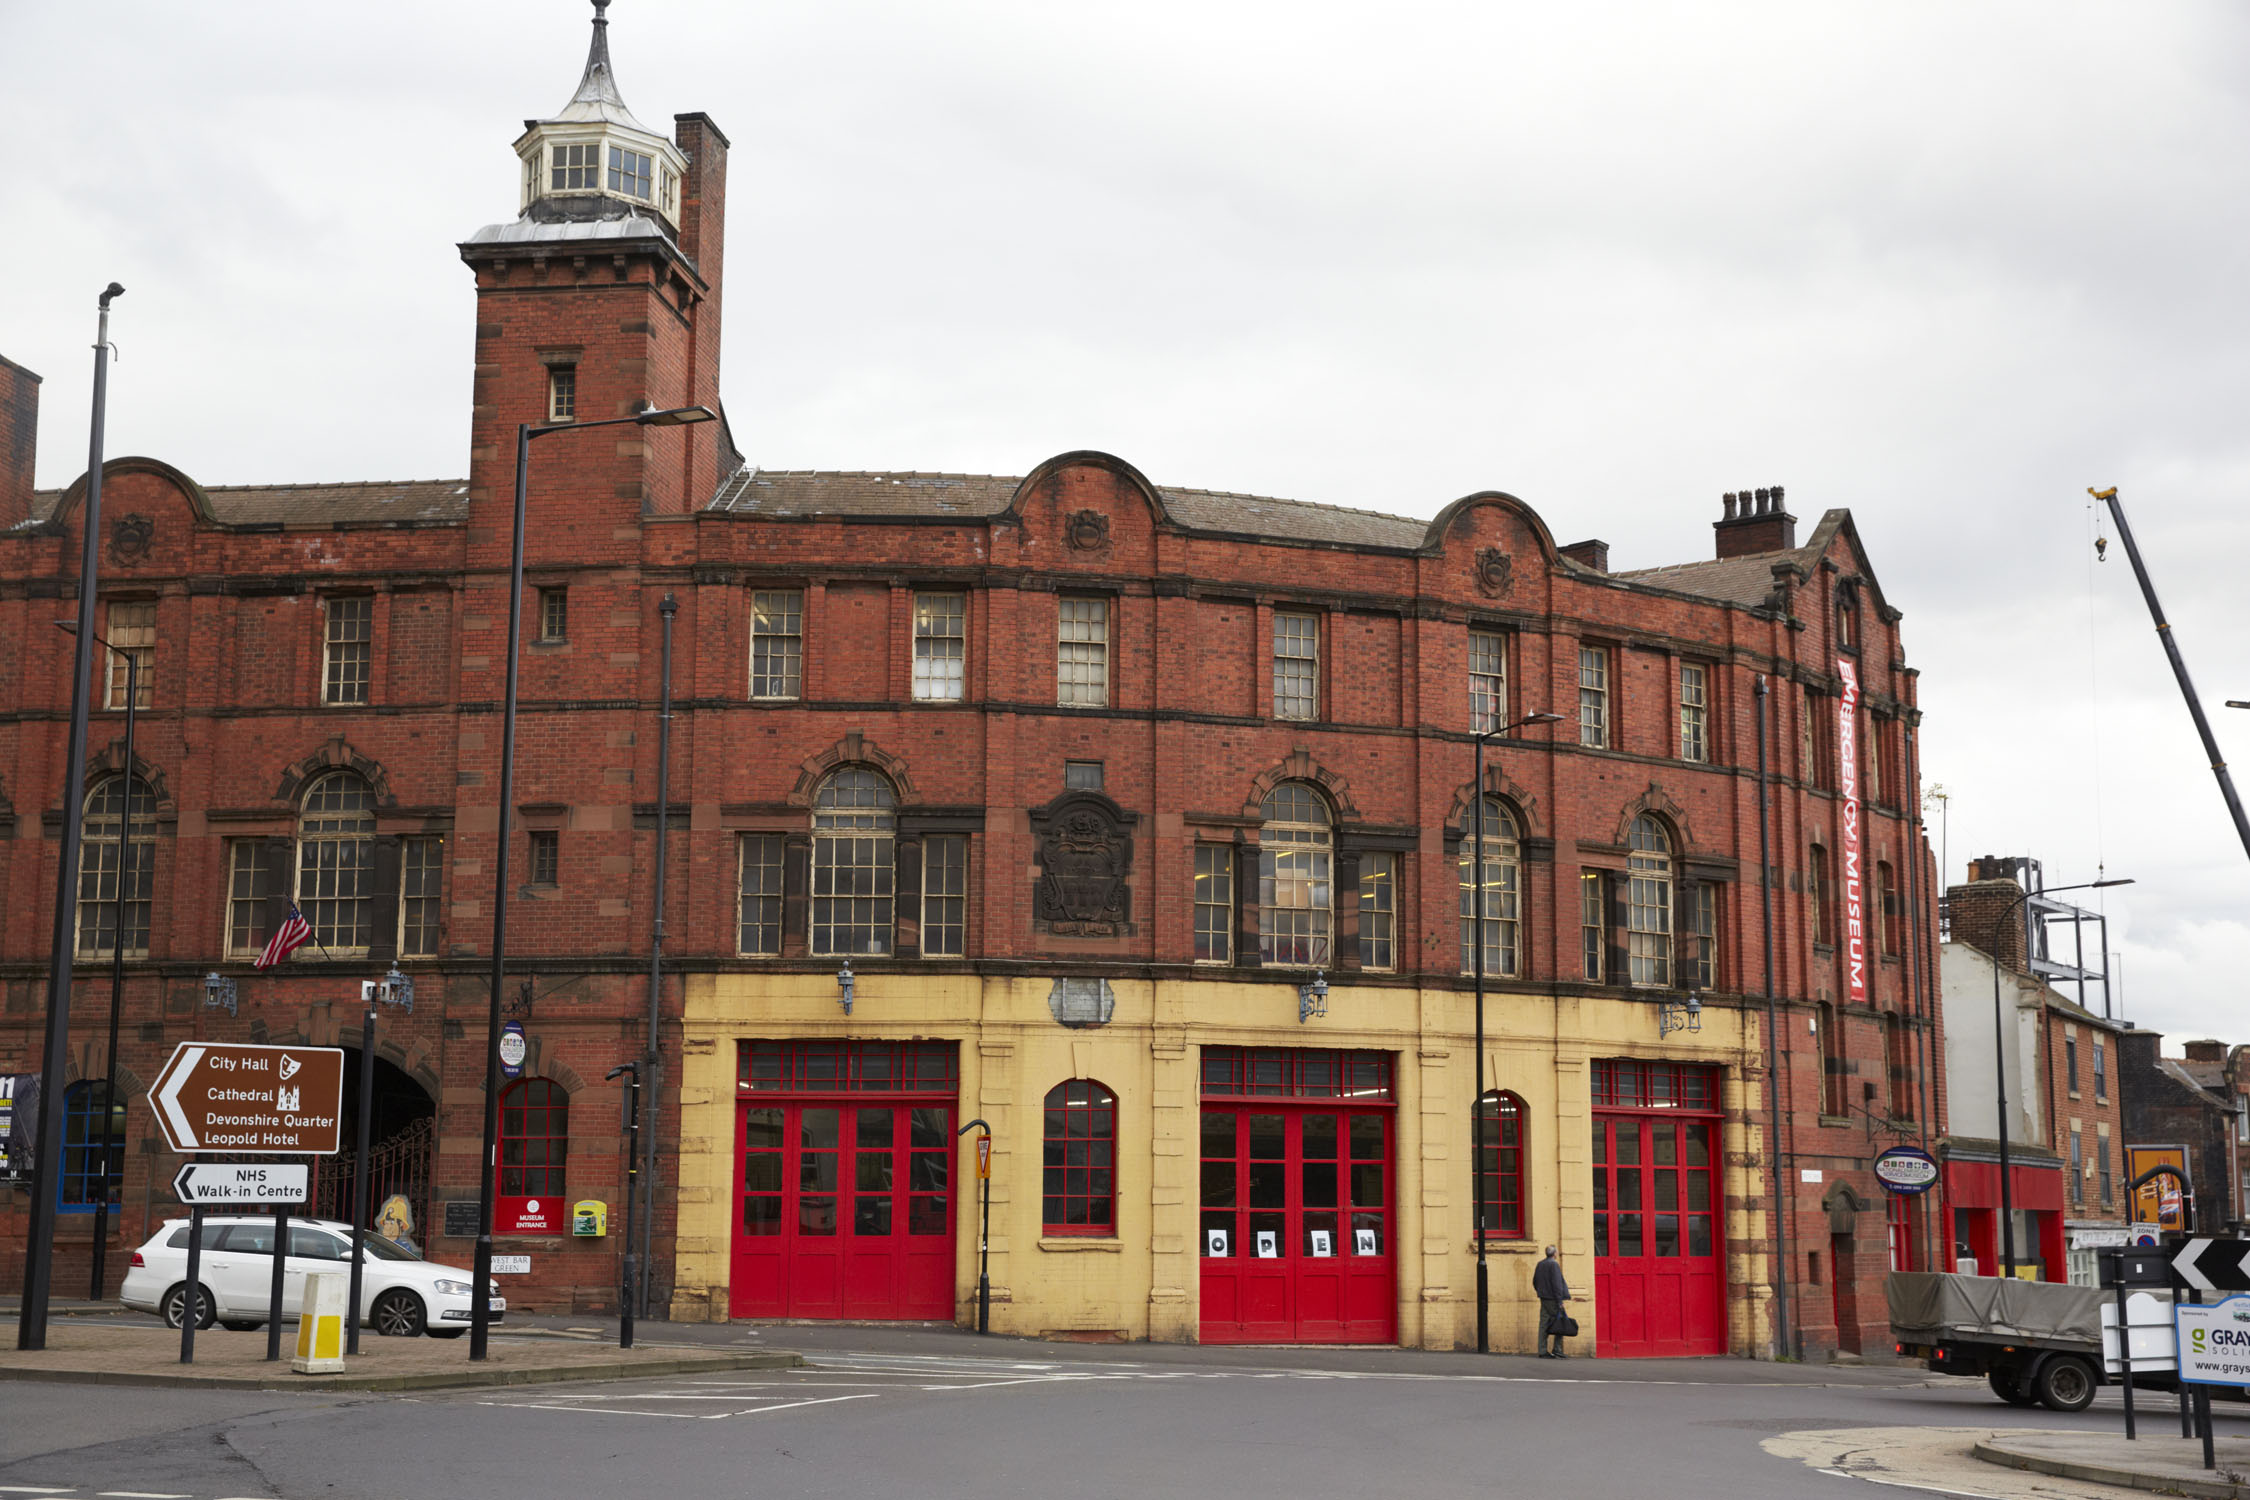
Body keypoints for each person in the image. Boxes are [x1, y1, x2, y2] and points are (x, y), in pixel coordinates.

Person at [1532, 1244, 1571, 1358]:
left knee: (1543, 1324)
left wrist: (1541, 1292)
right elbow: (1557, 1284)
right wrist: (1560, 1301)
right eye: (1557, 1252)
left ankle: (1542, 1350)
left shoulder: (1540, 1264)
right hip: (1553, 1299)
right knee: (1561, 1321)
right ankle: (1557, 1349)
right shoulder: (1554, 1265)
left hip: (1544, 1298)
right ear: (1554, 1254)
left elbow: (1535, 1281)